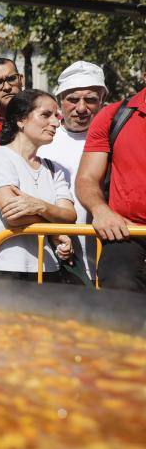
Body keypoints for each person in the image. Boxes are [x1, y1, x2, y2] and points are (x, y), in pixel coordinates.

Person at [0, 90, 77, 280]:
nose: (55, 122)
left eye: (56, 116)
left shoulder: (53, 169)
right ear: (21, 120)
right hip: (2, 267)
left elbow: (70, 217)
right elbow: (14, 216)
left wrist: (40, 206)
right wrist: (54, 224)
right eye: (46, 115)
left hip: (47, 269)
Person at [77, 71, 146, 293]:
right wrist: (100, 210)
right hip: (127, 234)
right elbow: (86, 178)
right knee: (118, 298)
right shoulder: (114, 115)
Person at [37, 61, 107, 282]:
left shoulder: (116, 138)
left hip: (107, 254)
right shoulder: (42, 141)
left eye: (91, 100)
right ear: (59, 101)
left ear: (102, 101)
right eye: (73, 99)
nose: (81, 108)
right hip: (56, 256)